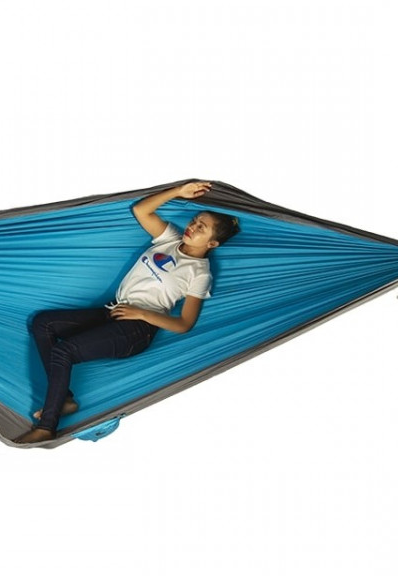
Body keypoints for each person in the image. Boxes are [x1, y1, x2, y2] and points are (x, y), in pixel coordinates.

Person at [13, 181, 240, 444]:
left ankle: (46, 426)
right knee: (43, 323)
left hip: (138, 330)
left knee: (64, 351)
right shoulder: (170, 239)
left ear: (213, 243)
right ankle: (64, 399)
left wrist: (141, 314)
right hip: (114, 310)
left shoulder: (199, 273)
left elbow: (184, 324)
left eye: (202, 228)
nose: (193, 226)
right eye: (195, 220)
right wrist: (178, 192)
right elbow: (141, 210)